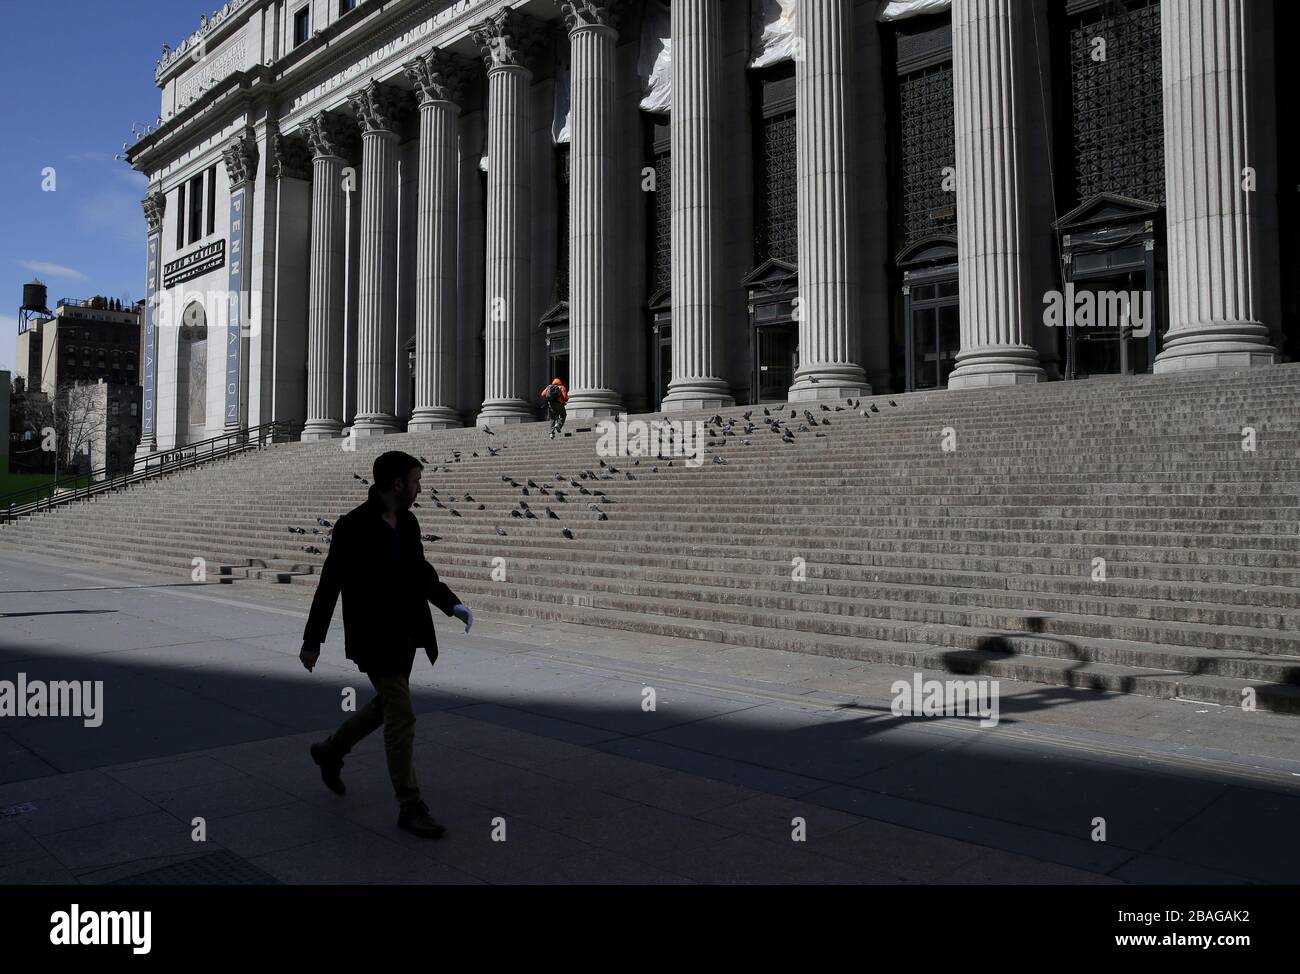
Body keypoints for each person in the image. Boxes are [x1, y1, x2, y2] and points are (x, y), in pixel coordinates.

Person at [299, 450, 473, 839]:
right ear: (396, 484)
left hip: (406, 633)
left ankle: (330, 751)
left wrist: (451, 603)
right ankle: (409, 805)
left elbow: (421, 573)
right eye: (414, 481)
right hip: (373, 636)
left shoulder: (408, 523)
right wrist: (313, 640)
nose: (419, 488)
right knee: (402, 714)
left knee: (385, 707)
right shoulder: (353, 527)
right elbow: (330, 584)